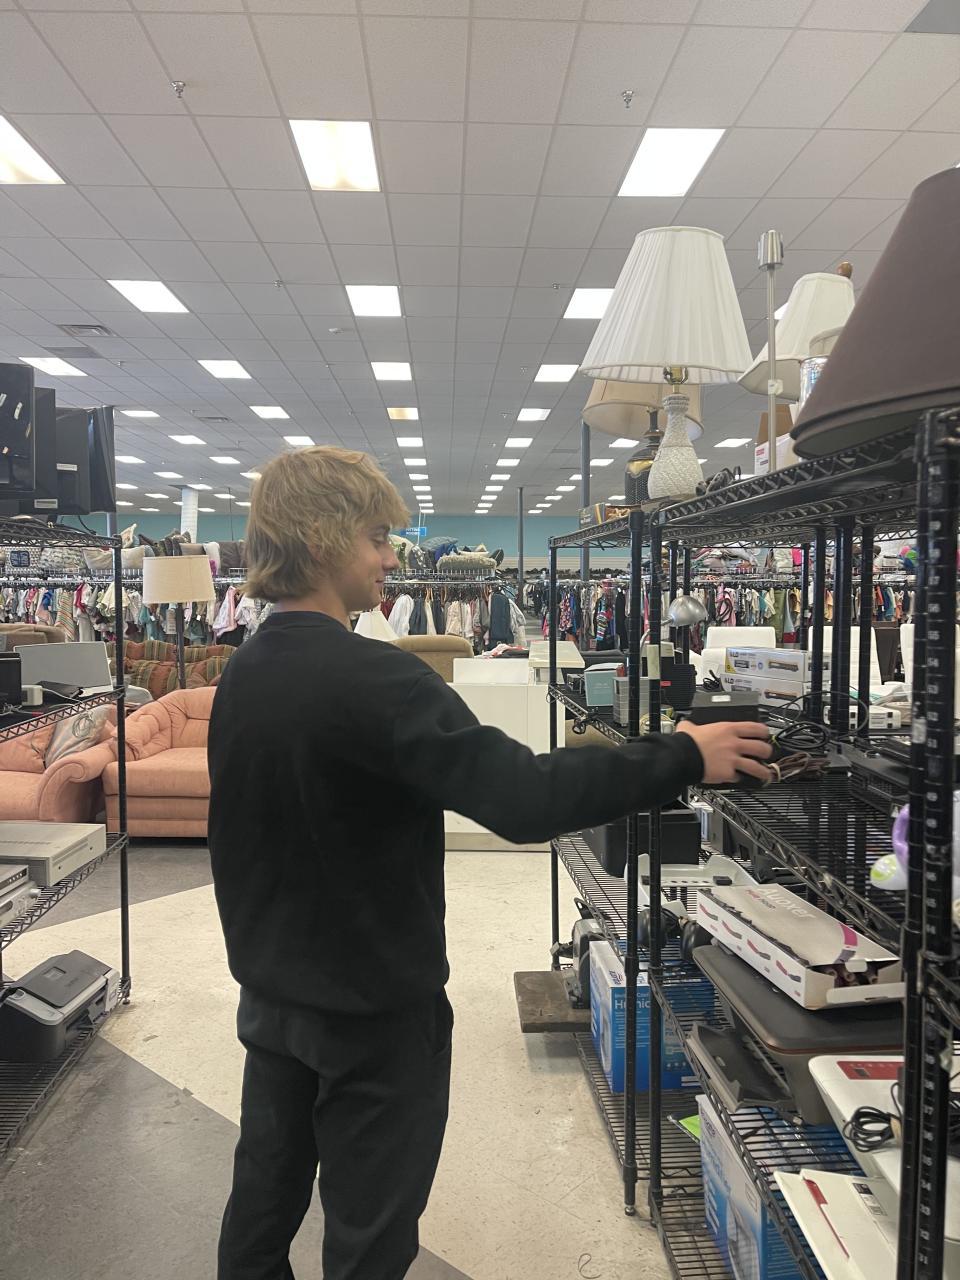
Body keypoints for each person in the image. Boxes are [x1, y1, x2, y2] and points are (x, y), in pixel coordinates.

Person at [207, 446, 772, 1280]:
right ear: (325, 539)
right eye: (377, 537)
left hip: (271, 999)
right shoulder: (383, 681)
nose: (391, 558)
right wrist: (682, 755)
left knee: (261, 1206)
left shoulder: (244, 672)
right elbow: (523, 798)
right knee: (369, 1237)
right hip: (374, 1012)